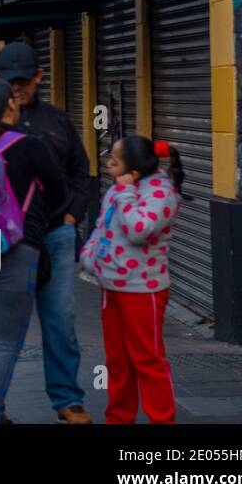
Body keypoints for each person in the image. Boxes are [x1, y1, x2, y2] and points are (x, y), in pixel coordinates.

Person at [0, 41, 95, 424]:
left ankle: (67, 400)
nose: (17, 89)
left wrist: (70, 219)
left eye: (23, 81)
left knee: (60, 320)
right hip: (6, 242)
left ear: (38, 77)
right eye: (9, 81)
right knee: (0, 330)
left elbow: (82, 173)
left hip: (54, 234)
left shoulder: (57, 121)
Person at [0, 79, 68, 424]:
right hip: (14, 251)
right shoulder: (28, 146)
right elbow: (59, 192)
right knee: (6, 344)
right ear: (10, 106)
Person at [80, 135, 184, 424]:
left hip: (143, 289)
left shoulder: (162, 194)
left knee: (148, 360)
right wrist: (90, 259)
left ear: (133, 172)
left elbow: (140, 229)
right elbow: (101, 228)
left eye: (114, 161)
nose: (107, 163)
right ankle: (118, 418)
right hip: (110, 286)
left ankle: (161, 419)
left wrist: (126, 194)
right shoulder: (116, 190)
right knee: (117, 361)